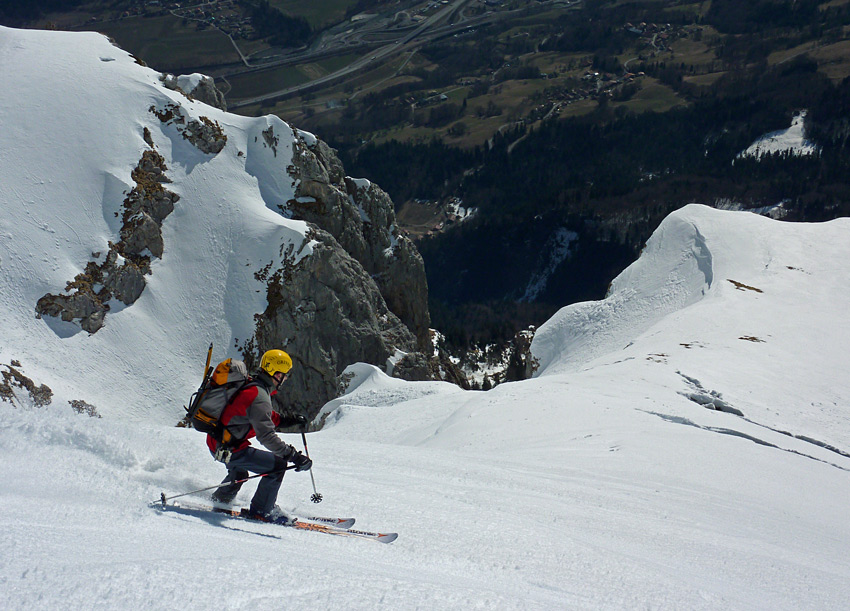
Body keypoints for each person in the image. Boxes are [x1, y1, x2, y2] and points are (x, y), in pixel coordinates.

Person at [207, 348, 312, 521]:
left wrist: (288, 420)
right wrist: (293, 456)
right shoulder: (259, 395)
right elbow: (266, 436)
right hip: (229, 447)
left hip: (219, 442)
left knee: (240, 473)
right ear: (276, 374)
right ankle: (263, 511)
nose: (285, 379)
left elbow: (262, 415)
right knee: (277, 467)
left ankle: (221, 500)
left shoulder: (252, 385)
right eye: (284, 375)